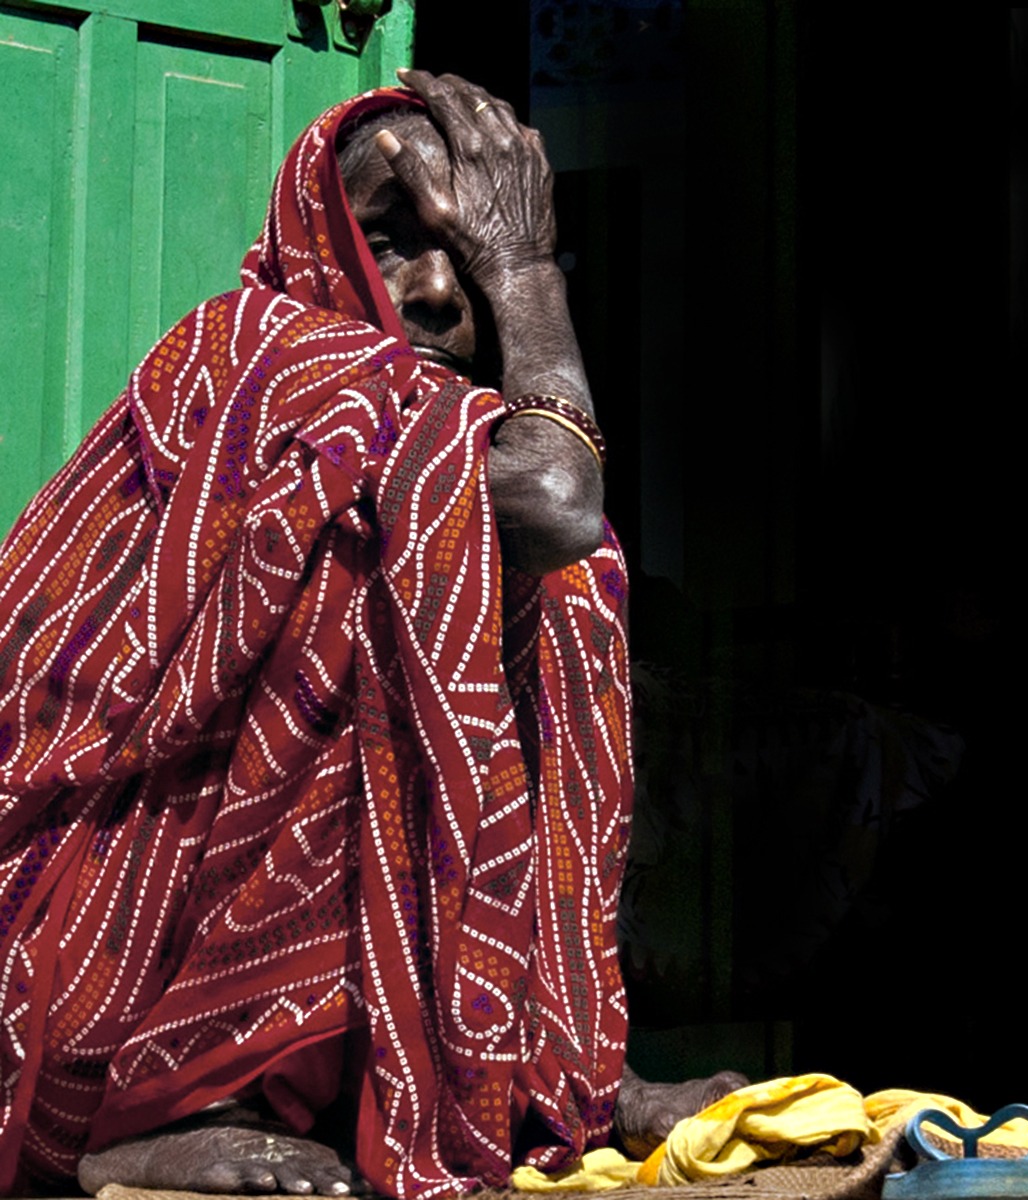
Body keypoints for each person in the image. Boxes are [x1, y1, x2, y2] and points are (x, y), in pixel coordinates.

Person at [0, 71, 741, 1197]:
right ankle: (163, 1107)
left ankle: (559, 1070)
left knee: (537, 597)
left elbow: (555, 522)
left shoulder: (443, 442)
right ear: (315, 236)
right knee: (403, 591)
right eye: (391, 240)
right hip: (117, 920)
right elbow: (555, 498)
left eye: (474, 247)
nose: (444, 289)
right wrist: (532, 276)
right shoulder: (254, 349)